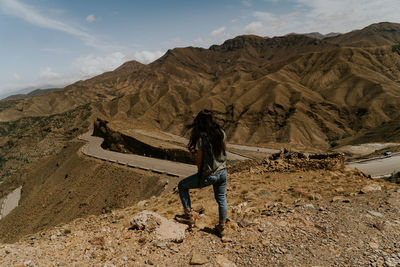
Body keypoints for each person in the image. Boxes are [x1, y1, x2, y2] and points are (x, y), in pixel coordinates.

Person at [175, 109, 228, 237]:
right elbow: (224, 149)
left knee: (182, 185)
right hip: (223, 172)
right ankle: (222, 226)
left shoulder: (201, 139)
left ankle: (188, 215)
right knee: (221, 199)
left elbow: (199, 160)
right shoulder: (221, 133)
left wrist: (200, 175)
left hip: (209, 174)